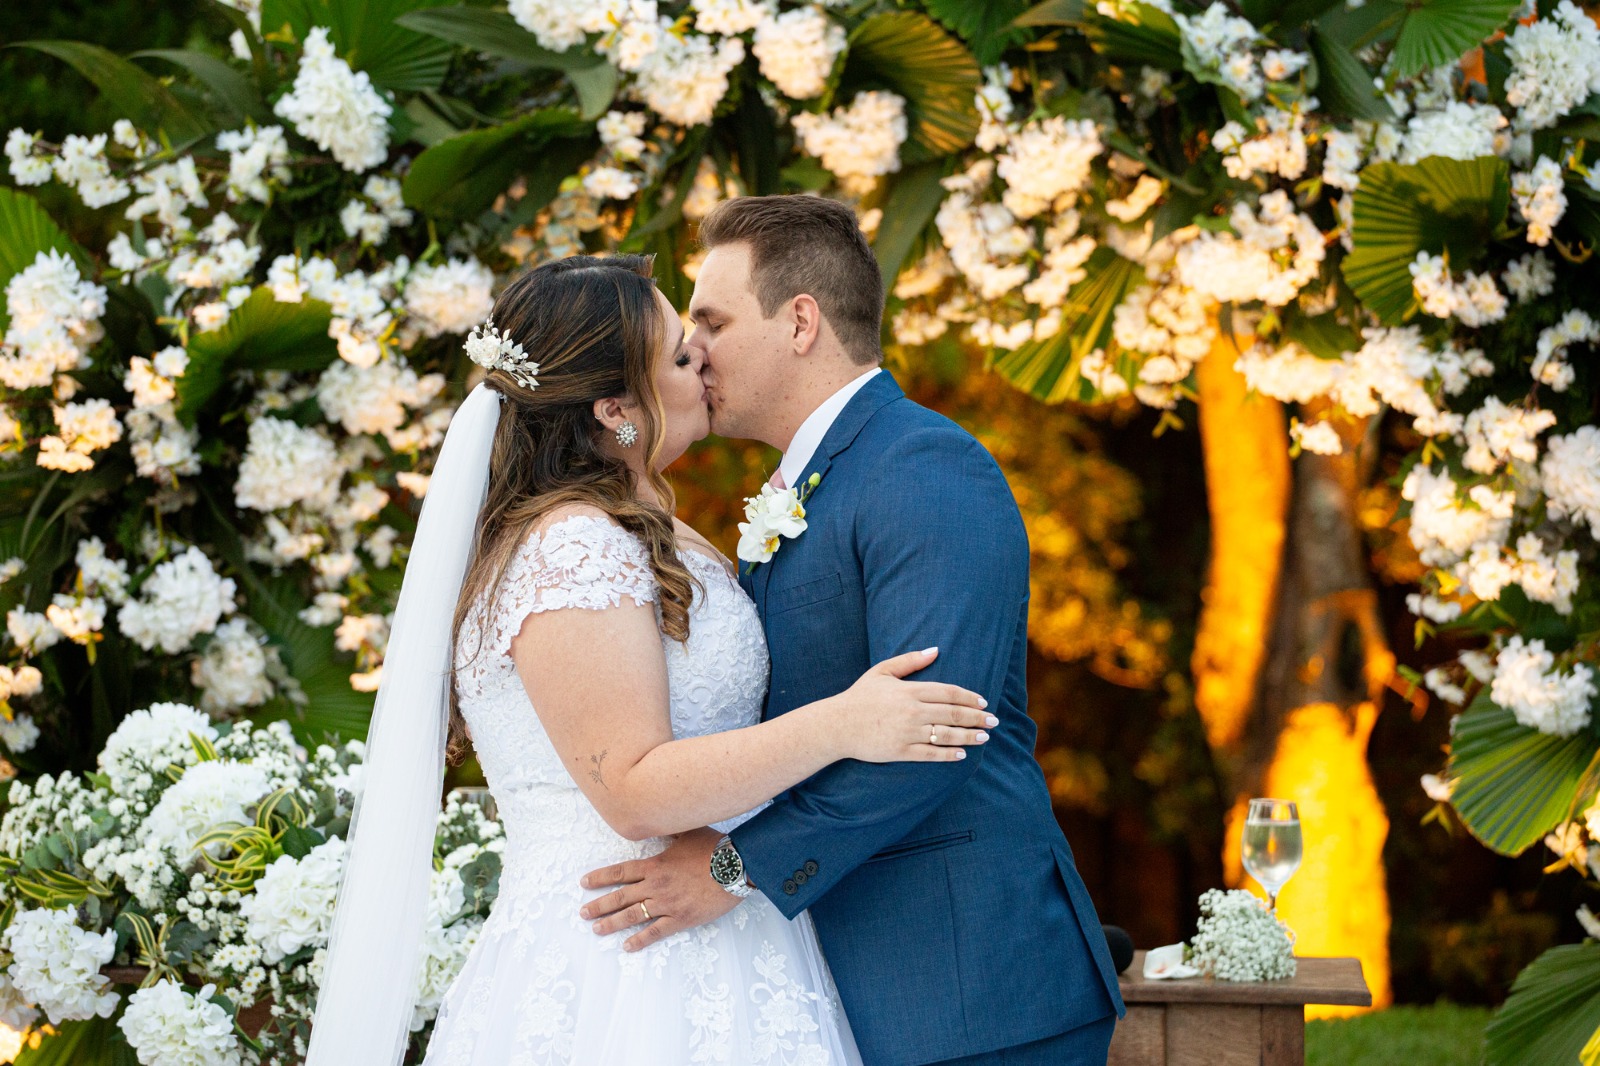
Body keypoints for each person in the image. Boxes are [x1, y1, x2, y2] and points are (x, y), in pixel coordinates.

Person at [304, 253, 995, 1066]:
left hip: (715, 929)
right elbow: (633, 790)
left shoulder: (642, 529)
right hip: (627, 957)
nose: (702, 354)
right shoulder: (571, 546)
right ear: (615, 410)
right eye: (677, 353)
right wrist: (846, 723)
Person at [578, 196, 1126, 1065]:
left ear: (800, 322)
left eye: (714, 320)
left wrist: (734, 868)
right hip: (844, 980)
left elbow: (932, 730)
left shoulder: (921, 466)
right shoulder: (815, 483)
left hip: (966, 987)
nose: (691, 350)